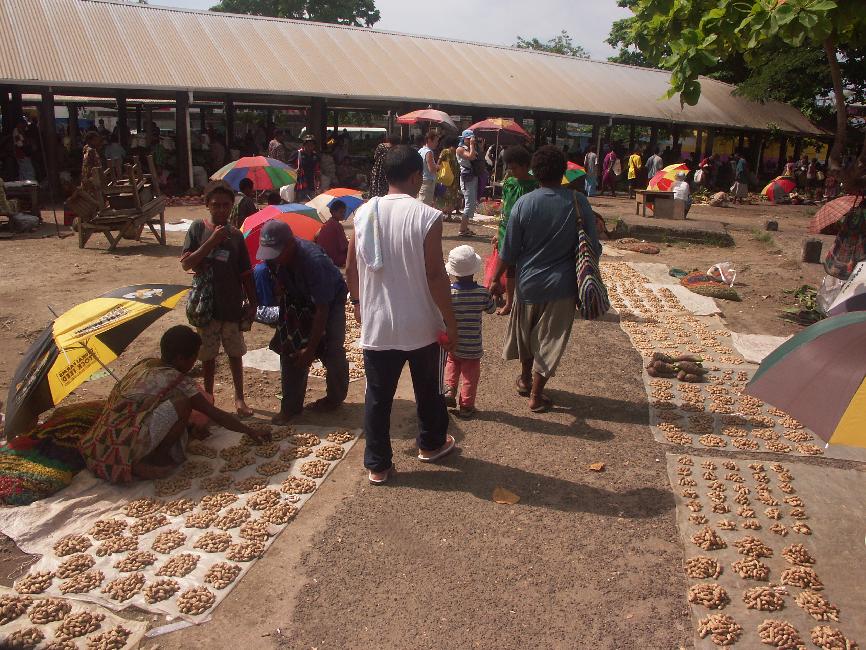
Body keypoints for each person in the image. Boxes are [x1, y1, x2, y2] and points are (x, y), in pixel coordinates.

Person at [346, 145, 458, 485]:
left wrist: (357, 303)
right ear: (415, 176)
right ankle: (431, 444)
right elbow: (436, 275)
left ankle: (377, 465)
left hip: (378, 325)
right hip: (421, 325)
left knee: (378, 397)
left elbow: (351, 267)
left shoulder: (363, 213)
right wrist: (451, 323)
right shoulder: (427, 216)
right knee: (429, 389)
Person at [78, 326, 268, 484]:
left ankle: (142, 455)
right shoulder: (176, 379)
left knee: (179, 406)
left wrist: (189, 428)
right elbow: (213, 413)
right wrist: (249, 431)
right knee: (183, 404)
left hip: (102, 442)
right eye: (194, 357)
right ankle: (154, 458)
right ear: (180, 359)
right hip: (126, 444)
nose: (195, 362)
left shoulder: (146, 364)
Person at [489, 145, 600, 413]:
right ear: (563, 172)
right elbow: (594, 247)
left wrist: (495, 279)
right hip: (562, 286)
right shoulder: (578, 202)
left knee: (526, 336)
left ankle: (525, 379)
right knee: (551, 339)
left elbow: (509, 250)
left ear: (534, 171)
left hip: (528, 284)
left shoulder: (524, 204)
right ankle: (536, 394)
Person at [254, 220, 350, 423]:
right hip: (297, 297)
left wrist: (311, 349)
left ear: (290, 244)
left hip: (330, 302)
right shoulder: (274, 258)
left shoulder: (314, 261)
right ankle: (291, 406)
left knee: (331, 348)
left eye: (277, 254)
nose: (274, 259)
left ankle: (335, 398)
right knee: (289, 349)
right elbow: (278, 282)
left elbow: (322, 310)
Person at [181, 181, 258, 417]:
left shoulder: (236, 235)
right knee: (208, 356)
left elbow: (246, 273)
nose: (221, 210)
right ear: (207, 205)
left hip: (232, 304)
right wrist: (211, 242)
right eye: (216, 205)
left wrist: (253, 304)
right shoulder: (197, 229)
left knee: (235, 353)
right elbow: (187, 264)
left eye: (226, 205)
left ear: (232, 206)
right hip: (206, 306)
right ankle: (208, 397)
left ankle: (239, 398)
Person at [443, 245, 496, 419]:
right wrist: (492, 295)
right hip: (472, 345)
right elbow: (491, 309)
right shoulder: (482, 293)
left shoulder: (448, 293)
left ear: (453, 272)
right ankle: (466, 406)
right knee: (470, 376)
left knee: (451, 364)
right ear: (474, 270)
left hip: (453, 341)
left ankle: (449, 391)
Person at [491, 145, 538, 315]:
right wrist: (498, 232)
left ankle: (524, 303)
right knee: (510, 269)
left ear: (526, 166)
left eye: (515, 168)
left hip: (525, 233)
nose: (512, 171)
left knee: (523, 268)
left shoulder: (534, 185)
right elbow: (504, 208)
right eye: (510, 168)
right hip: (505, 231)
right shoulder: (509, 183)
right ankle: (509, 303)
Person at [455, 129, 481, 237]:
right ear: (464, 138)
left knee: (471, 202)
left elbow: (475, 156)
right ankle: (462, 229)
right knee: (469, 203)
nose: (471, 140)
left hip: (473, 175)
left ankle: (465, 227)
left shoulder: (470, 147)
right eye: (469, 138)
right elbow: (470, 156)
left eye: (472, 138)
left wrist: (474, 145)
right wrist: (471, 145)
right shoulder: (460, 149)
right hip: (466, 177)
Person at [315, 198, 349, 268]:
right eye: (341, 212)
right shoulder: (337, 225)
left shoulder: (326, 223)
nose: (343, 214)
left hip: (324, 257)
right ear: (333, 212)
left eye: (344, 212)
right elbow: (344, 247)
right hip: (335, 258)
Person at [433, 136, 461, 217]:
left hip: (452, 177)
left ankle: (448, 214)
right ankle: (443, 213)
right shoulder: (447, 151)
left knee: (451, 195)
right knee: (445, 195)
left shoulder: (454, 152)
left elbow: (439, 161)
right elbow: (439, 162)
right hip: (448, 177)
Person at [417, 130, 440, 206]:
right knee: (425, 204)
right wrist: (438, 167)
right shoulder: (429, 152)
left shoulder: (420, 150)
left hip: (421, 179)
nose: (437, 143)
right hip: (428, 181)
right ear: (430, 140)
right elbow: (431, 169)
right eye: (436, 141)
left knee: (421, 202)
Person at [295, 135, 321, 201]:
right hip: (301, 184)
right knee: (301, 204)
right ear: (304, 145)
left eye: (312, 145)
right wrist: (295, 170)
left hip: (312, 184)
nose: (310, 146)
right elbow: (289, 165)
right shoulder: (298, 154)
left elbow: (317, 169)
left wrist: (318, 181)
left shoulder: (315, 156)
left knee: (312, 204)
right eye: (308, 144)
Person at [369, 133, 393, 197]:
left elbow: (375, 156)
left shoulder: (381, 146)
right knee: (386, 182)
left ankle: (375, 196)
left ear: (388, 139)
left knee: (376, 181)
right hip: (389, 167)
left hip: (378, 167)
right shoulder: (395, 148)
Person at [13, 118, 35, 182]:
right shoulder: (16, 131)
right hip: (22, 155)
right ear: (20, 124)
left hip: (23, 154)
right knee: (29, 171)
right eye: (24, 124)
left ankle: (23, 186)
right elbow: (20, 144)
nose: (25, 126)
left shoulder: (20, 131)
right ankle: (31, 185)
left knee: (23, 172)